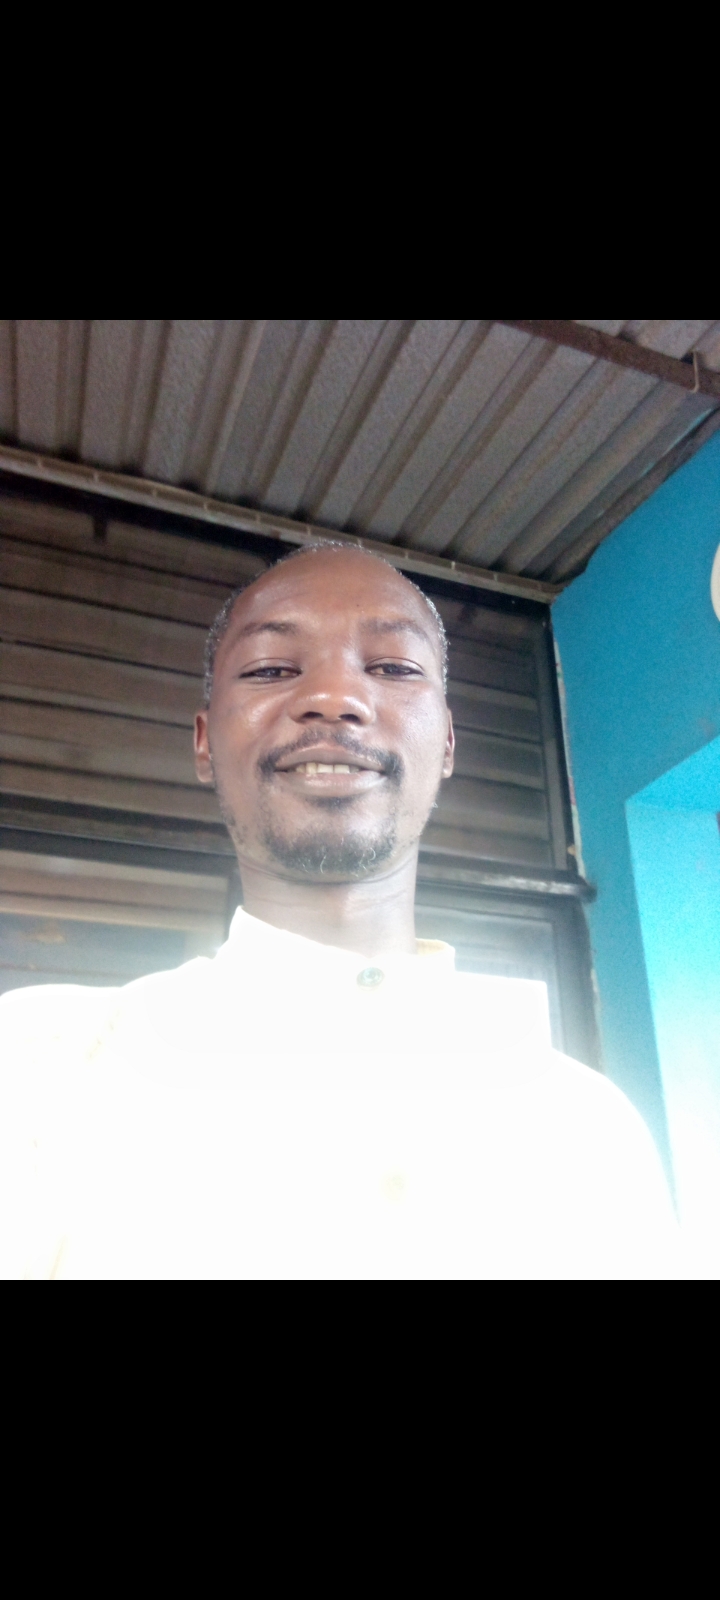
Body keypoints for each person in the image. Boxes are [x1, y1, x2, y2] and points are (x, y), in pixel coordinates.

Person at [0, 544, 681, 1278]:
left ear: (447, 743)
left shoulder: (590, 1129)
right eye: (270, 670)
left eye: (392, 667)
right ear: (204, 742)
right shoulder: (40, 1067)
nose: (333, 697)